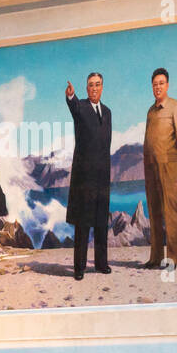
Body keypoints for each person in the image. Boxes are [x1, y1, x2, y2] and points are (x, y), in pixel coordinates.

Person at [64, 73, 113, 280]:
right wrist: (71, 96)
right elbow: (73, 107)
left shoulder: (108, 112)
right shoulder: (81, 107)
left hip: (102, 175)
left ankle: (101, 264)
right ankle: (79, 268)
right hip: (84, 177)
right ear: (86, 89)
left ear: (102, 87)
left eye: (98, 85)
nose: (94, 88)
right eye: (91, 85)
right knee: (83, 223)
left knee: (101, 221)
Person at [141, 67, 177, 269]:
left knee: (170, 210)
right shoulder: (151, 110)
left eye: (161, 83)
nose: (158, 87)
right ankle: (156, 257)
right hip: (149, 164)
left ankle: (172, 258)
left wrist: (173, 159)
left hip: (168, 162)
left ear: (167, 85)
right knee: (154, 210)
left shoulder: (175, 106)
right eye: (155, 84)